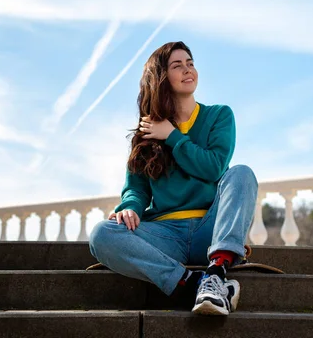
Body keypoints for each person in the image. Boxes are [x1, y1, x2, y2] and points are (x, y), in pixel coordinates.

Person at [89, 41, 258, 316]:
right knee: (101, 234)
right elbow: (137, 188)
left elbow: (214, 167)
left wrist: (173, 137)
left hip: (210, 229)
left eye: (190, 63)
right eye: (177, 66)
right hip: (165, 236)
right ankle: (195, 285)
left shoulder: (219, 116)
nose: (188, 69)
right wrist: (129, 207)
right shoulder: (146, 132)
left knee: (242, 173)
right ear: (161, 77)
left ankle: (217, 270)